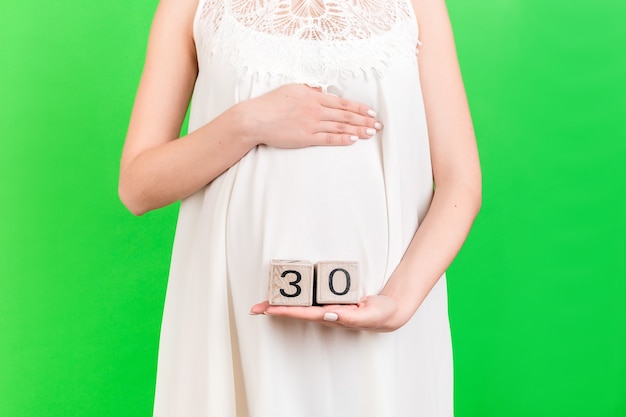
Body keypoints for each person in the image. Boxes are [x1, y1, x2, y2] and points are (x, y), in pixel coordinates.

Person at [119, 0, 481, 414]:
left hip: (383, 320)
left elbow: (460, 180)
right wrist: (248, 123)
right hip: (236, 322)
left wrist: (400, 300)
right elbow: (137, 186)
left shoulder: (419, 5)